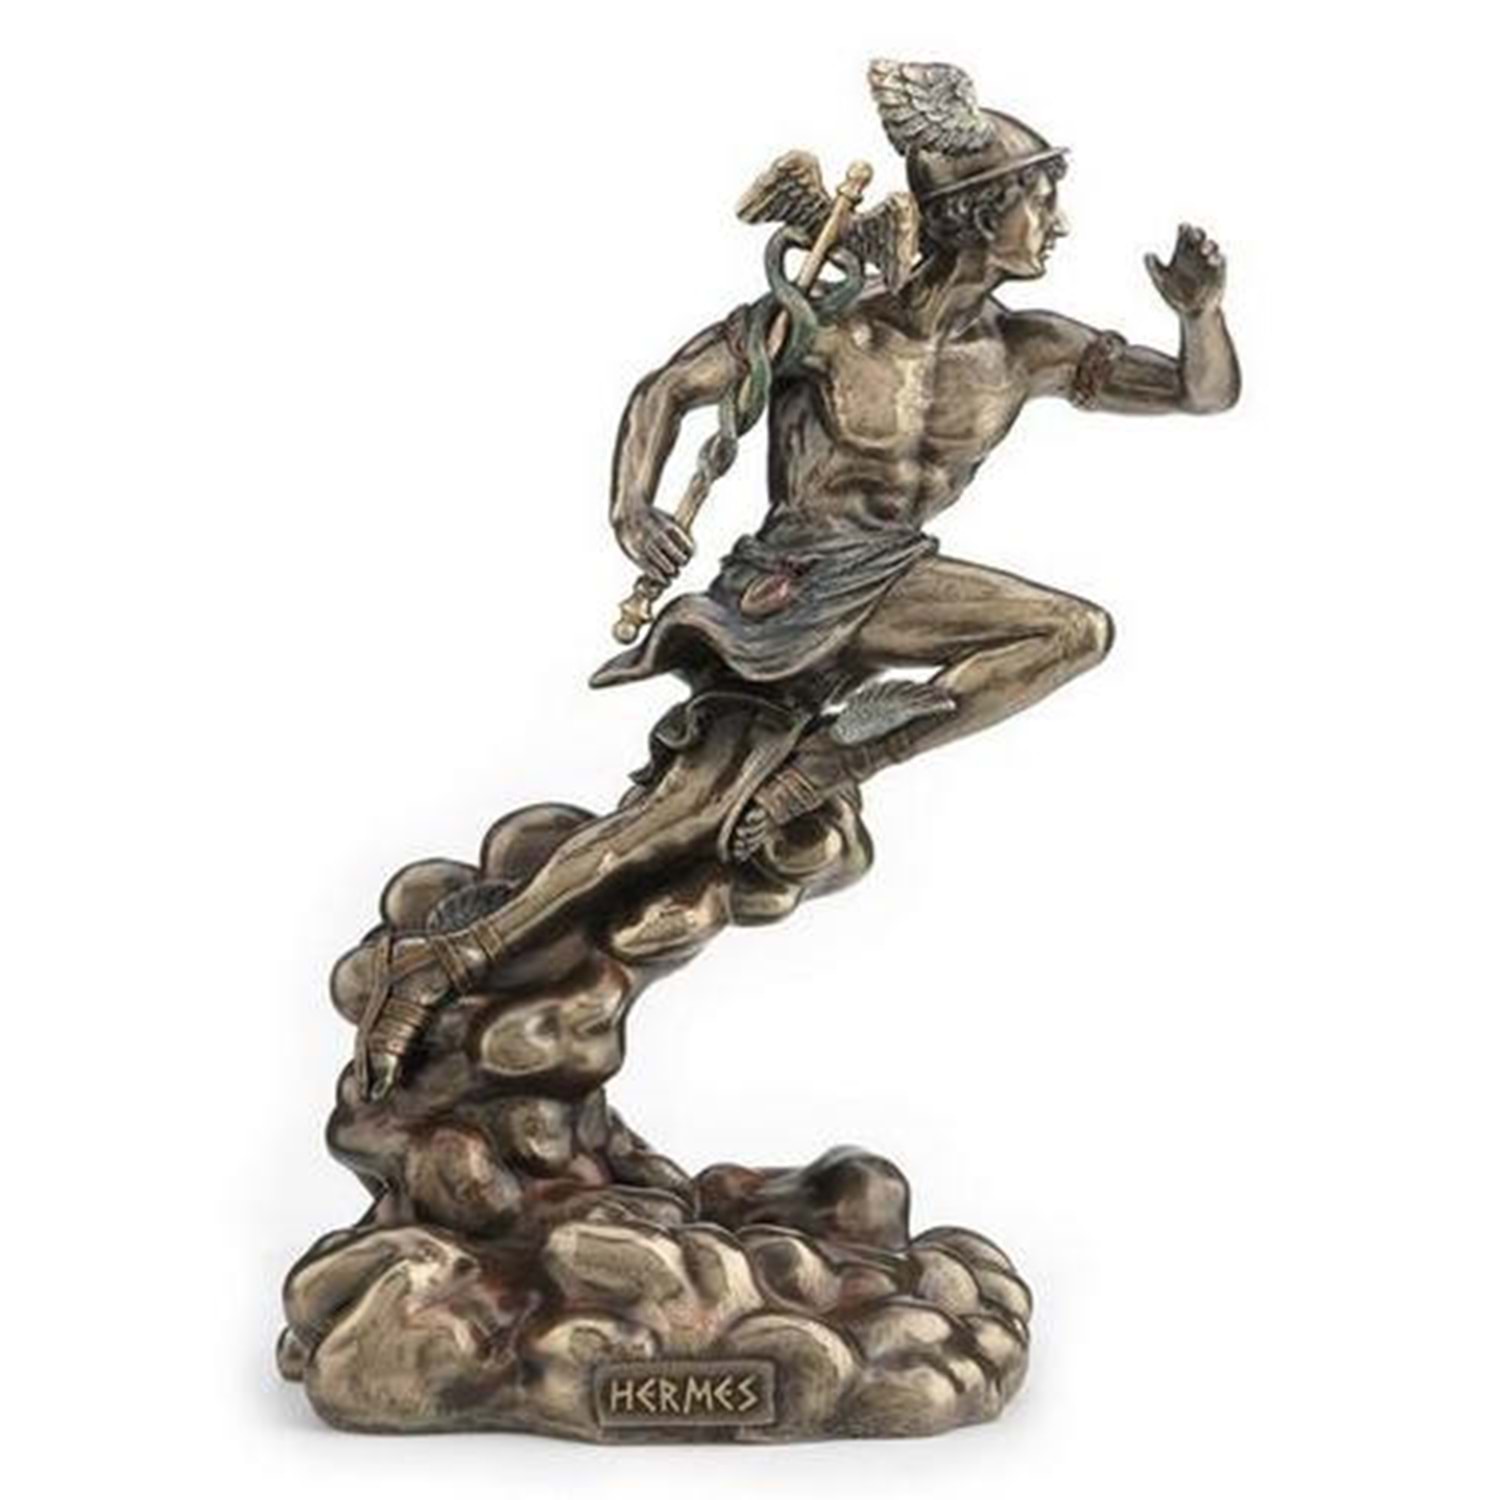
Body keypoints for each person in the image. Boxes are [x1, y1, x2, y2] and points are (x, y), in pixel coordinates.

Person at [359, 60, 1240, 1098]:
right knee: (673, 821)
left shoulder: (1032, 348)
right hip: (786, 585)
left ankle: (824, 763)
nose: (1058, 223)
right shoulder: (829, 324)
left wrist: (1201, 313)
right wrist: (634, 508)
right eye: (1039, 199)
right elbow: (669, 390)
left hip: (889, 575)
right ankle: (443, 964)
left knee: (1064, 633)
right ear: (975, 212)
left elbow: (1201, 394)